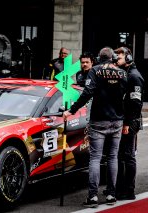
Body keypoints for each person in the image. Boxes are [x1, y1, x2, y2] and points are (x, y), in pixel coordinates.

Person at [63, 47, 128, 207]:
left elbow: (87, 92)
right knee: (113, 157)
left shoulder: (96, 71)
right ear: (112, 57)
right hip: (117, 120)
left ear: (98, 58)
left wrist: (72, 110)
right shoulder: (122, 73)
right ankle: (111, 194)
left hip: (99, 120)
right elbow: (126, 96)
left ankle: (93, 196)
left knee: (95, 158)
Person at [114, 47, 145, 200]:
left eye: (119, 57)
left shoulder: (134, 76)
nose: (116, 60)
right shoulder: (125, 73)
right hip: (125, 120)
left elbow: (136, 103)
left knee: (128, 155)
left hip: (130, 121)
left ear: (128, 57)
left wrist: (127, 123)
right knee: (121, 155)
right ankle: (120, 188)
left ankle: (129, 191)